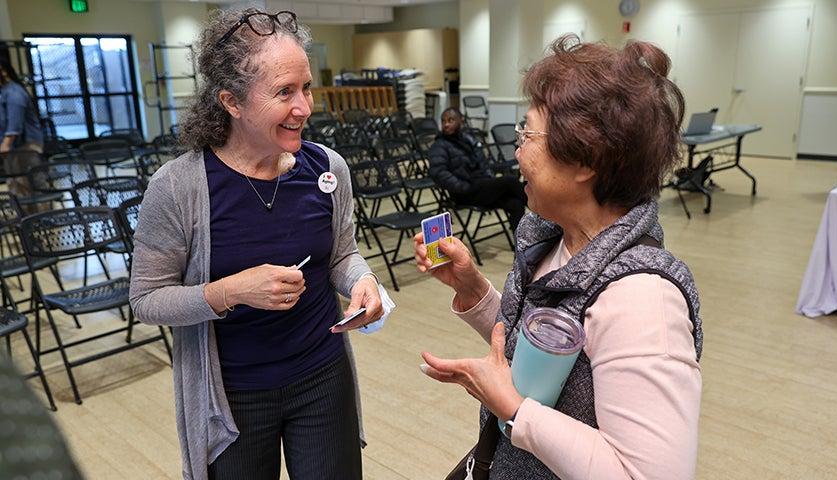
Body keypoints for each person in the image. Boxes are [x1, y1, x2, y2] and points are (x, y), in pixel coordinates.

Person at [414, 36, 703, 480]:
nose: (517, 150)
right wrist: (473, 290)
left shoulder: (646, 302)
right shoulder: (554, 238)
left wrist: (512, 407)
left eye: (527, 133)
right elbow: (535, 345)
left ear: (586, 156)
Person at [129, 9, 394, 480]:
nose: (305, 107)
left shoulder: (326, 168)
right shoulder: (178, 188)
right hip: (234, 396)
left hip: (322, 377)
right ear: (232, 102)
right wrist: (230, 291)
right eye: (284, 92)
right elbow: (146, 300)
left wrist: (364, 280)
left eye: (306, 87)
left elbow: (342, 254)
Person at [428, 107, 527, 230]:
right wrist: (462, 187)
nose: (446, 124)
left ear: (461, 120)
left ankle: (521, 245)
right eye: (443, 121)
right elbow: (438, 173)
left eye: (451, 120)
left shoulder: (467, 139)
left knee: (515, 204)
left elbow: (482, 162)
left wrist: (488, 175)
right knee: (510, 181)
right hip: (464, 192)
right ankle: (541, 211)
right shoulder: (439, 145)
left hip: (480, 185)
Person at [0, 59, 44, 199]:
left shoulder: (14, 92)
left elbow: (15, 123)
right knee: (16, 185)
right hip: (14, 147)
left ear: (4, 71)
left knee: (30, 184)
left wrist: (6, 144)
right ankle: (26, 219)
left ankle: (43, 218)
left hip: (25, 146)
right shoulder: (3, 91)